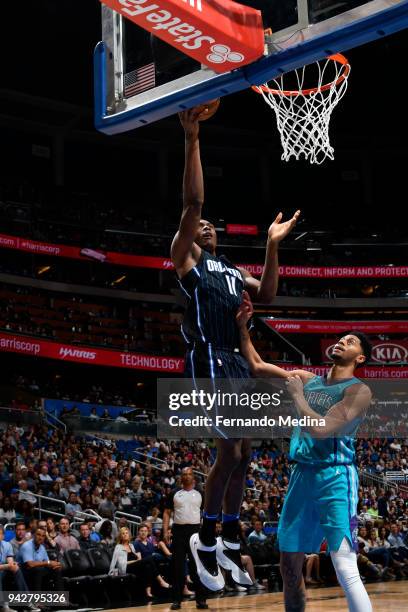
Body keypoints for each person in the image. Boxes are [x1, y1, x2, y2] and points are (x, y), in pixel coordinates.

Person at [173, 107, 300, 591]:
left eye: (209, 225)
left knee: (244, 455)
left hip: (236, 362)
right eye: (197, 225)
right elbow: (192, 202)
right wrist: (192, 138)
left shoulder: (228, 270)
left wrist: (271, 245)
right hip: (208, 357)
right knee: (228, 449)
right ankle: (206, 539)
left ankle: (224, 539)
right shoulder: (186, 261)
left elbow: (266, 295)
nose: (203, 226)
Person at [236, 292, 374, 612]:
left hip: (335, 475)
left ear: (360, 358)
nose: (342, 342)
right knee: (289, 566)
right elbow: (256, 365)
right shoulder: (310, 380)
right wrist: (243, 326)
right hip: (301, 475)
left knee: (343, 563)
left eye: (350, 341)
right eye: (340, 338)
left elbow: (324, 428)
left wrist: (298, 397)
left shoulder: (359, 390)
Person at [162, 467, 206, 610]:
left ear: (193, 477)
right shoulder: (174, 493)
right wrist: (165, 531)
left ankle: (201, 600)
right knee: (178, 568)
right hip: (178, 532)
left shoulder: (200, 493)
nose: (186, 476)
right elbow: (167, 513)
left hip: (195, 532)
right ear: (181, 477)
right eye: (184, 474)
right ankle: (177, 600)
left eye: (189, 474)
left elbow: (206, 513)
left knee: (197, 568)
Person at [109, 527, 169, 600]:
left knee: (148, 566)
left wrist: (138, 559)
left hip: (134, 566)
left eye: (126, 533)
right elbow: (121, 564)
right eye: (123, 533)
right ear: (120, 536)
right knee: (150, 559)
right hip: (125, 568)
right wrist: (137, 561)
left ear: (129, 535)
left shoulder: (131, 546)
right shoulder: (118, 547)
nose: (125, 535)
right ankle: (161, 581)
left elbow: (137, 558)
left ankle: (148, 593)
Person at [0, 524, 40, 612]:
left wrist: (12, 564)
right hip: (2, 569)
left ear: (3, 536)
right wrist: (8, 565)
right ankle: (3, 606)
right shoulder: (11, 542)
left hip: (4, 568)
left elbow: (10, 560)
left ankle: (27, 601)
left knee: (16, 568)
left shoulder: (6, 545)